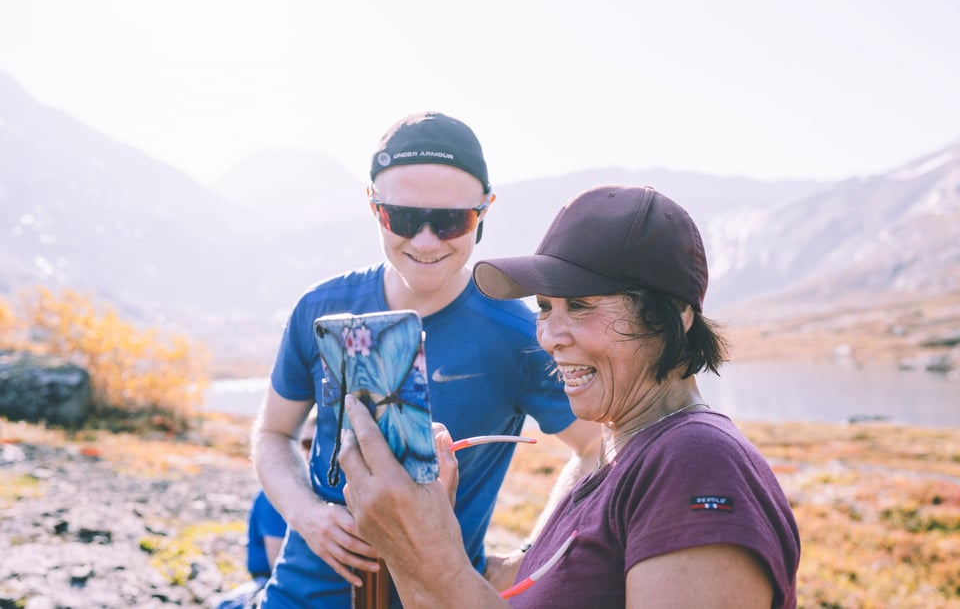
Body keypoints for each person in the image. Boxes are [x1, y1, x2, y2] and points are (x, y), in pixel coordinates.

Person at [338, 184, 801, 608]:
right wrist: (416, 532)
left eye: (580, 305)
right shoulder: (618, 454)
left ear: (672, 318)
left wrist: (432, 559)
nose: (550, 337)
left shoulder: (696, 462)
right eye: (544, 307)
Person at [251, 112, 600, 608]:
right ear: (374, 208)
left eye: (452, 220)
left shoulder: (517, 335)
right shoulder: (319, 308)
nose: (426, 241)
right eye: (404, 218)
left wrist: (528, 557)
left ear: (484, 211)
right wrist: (308, 515)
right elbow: (272, 434)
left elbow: (597, 449)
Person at [212, 414, 317, 609]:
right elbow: (279, 566)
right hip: (271, 580)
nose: (313, 452)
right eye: (307, 444)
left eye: (322, 444)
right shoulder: (278, 495)